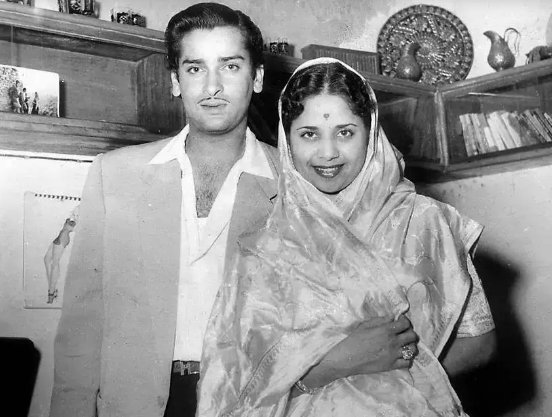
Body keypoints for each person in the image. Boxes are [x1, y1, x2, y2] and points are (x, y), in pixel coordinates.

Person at [49, 4, 416, 416]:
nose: (212, 86)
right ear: (174, 81)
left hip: (253, 403)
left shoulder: (300, 184)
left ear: (256, 77)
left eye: (230, 66)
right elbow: (81, 329)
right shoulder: (115, 175)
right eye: (195, 68)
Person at [197, 58, 496, 416]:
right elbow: (228, 382)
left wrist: (400, 384)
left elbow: (480, 343)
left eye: (345, 133)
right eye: (309, 134)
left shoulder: (428, 221)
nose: (328, 153)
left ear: (370, 133)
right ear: (287, 141)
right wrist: (330, 367)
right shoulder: (262, 247)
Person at [43, 206, 79, 304]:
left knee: (55, 264)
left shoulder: (83, 214)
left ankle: (51, 293)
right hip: (60, 235)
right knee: (46, 259)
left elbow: (75, 226)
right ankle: (52, 287)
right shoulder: (77, 209)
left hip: (63, 237)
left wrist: (73, 221)